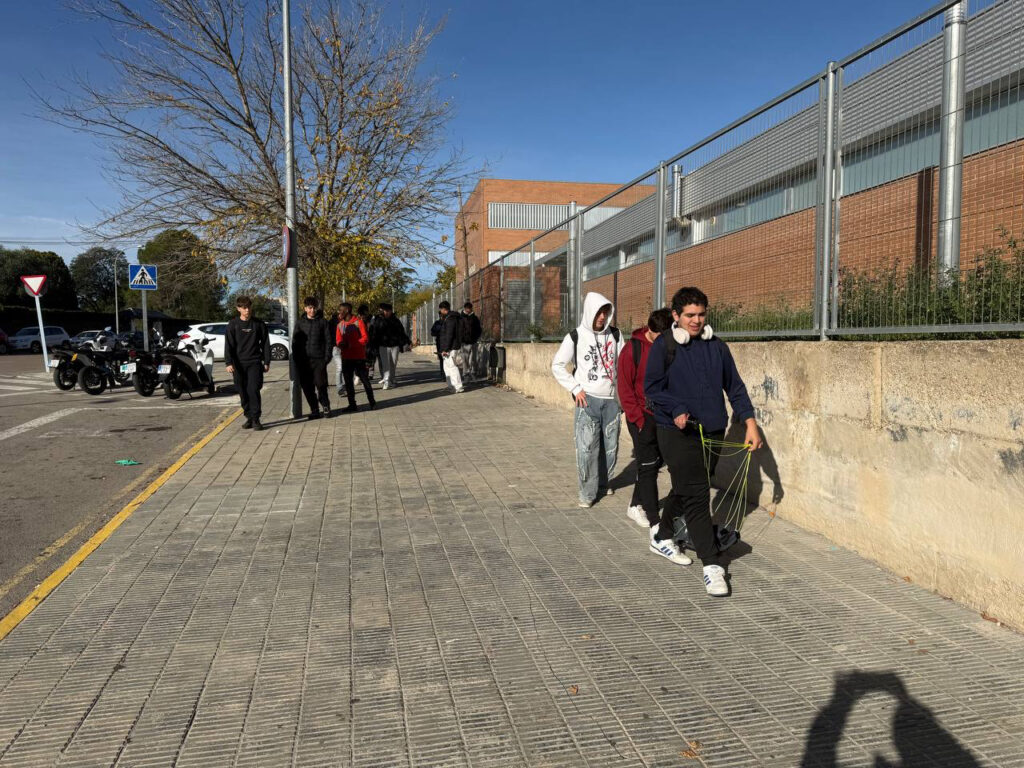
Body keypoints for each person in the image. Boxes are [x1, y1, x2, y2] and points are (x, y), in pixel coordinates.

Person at [643, 286, 762, 596]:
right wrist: (677, 409)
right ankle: (712, 565)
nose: (696, 321)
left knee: (688, 487)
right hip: (675, 432)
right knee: (697, 495)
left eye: (701, 315)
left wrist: (750, 424)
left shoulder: (717, 347)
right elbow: (652, 388)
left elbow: (735, 388)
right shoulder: (665, 346)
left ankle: (662, 536)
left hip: (712, 431)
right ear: (676, 316)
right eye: (689, 315)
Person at [551, 291, 625, 508]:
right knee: (587, 449)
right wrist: (576, 388)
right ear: (590, 311)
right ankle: (587, 493)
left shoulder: (616, 335)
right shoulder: (575, 336)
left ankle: (603, 482)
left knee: (610, 447)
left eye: (606, 312)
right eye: (599, 312)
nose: (602, 317)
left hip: (612, 401)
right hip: (587, 401)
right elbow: (557, 365)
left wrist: (623, 396)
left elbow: (624, 365)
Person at [616, 308, 675, 538]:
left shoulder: (668, 346)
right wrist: (638, 420)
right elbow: (625, 388)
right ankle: (653, 518)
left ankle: (634, 504)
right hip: (640, 416)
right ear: (651, 330)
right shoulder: (633, 349)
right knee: (648, 464)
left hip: (661, 415)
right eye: (661, 336)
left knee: (656, 460)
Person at [225, 296, 271, 431]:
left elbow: (266, 343)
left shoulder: (258, 324)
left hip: (254, 363)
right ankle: (249, 417)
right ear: (238, 309)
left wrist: (266, 361)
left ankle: (256, 419)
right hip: (238, 364)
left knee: (253, 390)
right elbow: (228, 345)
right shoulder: (233, 324)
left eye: (249, 307)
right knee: (243, 392)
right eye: (244, 308)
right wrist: (228, 362)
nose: (247, 310)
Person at [293, 296, 333, 419]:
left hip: (319, 359)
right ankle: (314, 409)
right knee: (307, 386)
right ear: (305, 308)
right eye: (310, 308)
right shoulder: (300, 323)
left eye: (314, 308)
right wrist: (297, 359)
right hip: (304, 361)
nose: (312, 310)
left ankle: (325, 406)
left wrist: (326, 358)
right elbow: (295, 342)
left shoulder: (323, 322)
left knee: (321, 384)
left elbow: (328, 341)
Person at [335, 302, 376, 412]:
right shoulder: (340, 325)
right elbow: (338, 339)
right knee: (348, 382)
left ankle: (372, 402)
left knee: (365, 380)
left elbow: (365, 338)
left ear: (347, 310)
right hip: (346, 358)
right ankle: (352, 404)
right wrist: (340, 343)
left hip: (358, 358)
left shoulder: (358, 322)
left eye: (341, 310)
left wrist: (352, 344)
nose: (339, 312)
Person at [372, 302, 410, 390]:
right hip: (383, 345)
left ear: (390, 311)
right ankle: (386, 381)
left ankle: (392, 380)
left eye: (387, 311)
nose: (385, 312)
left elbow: (401, 331)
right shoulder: (378, 320)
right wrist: (373, 344)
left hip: (394, 345)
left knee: (393, 363)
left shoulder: (395, 320)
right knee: (386, 365)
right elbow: (374, 332)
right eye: (384, 311)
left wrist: (407, 341)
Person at [437, 301, 464, 393]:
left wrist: (445, 349)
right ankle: (451, 386)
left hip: (450, 347)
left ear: (443, 309)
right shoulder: (452, 318)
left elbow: (449, 335)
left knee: (452, 367)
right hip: (451, 346)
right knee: (447, 367)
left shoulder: (450, 319)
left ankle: (458, 386)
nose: (440, 311)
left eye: (440, 309)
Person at [459, 301, 482, 381]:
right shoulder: (460, 318)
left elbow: (479, 329)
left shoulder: (474, 318)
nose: (469, 310)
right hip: (464, 342)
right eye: (468, 309)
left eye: (470, 309)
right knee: (465, 359)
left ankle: (473, 373)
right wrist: (461, 339)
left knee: (473, 359)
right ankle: (466, 374)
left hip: (473, 341)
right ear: (465, 308)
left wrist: (476, 338)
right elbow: (458, 330)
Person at [357, 304, 375, 380]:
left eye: (364, 314)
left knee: (370, 359)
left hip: (370, 342)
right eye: (361, 314)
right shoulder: (357, 320)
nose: (362, 316)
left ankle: (370, 374)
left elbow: (373, 331)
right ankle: (362, 375)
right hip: (361, 343)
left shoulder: (371, 319)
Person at [430, 311, 445, 379]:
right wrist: (437, 333)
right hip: (439, 342)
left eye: (443, 315)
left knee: (447, 358)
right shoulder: (437, 323)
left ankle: (446, 373)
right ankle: (442, 373)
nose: (441, 316)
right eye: (440, 315)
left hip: (447, 342)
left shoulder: (448, 322)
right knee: (441, 358)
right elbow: (432, 332)